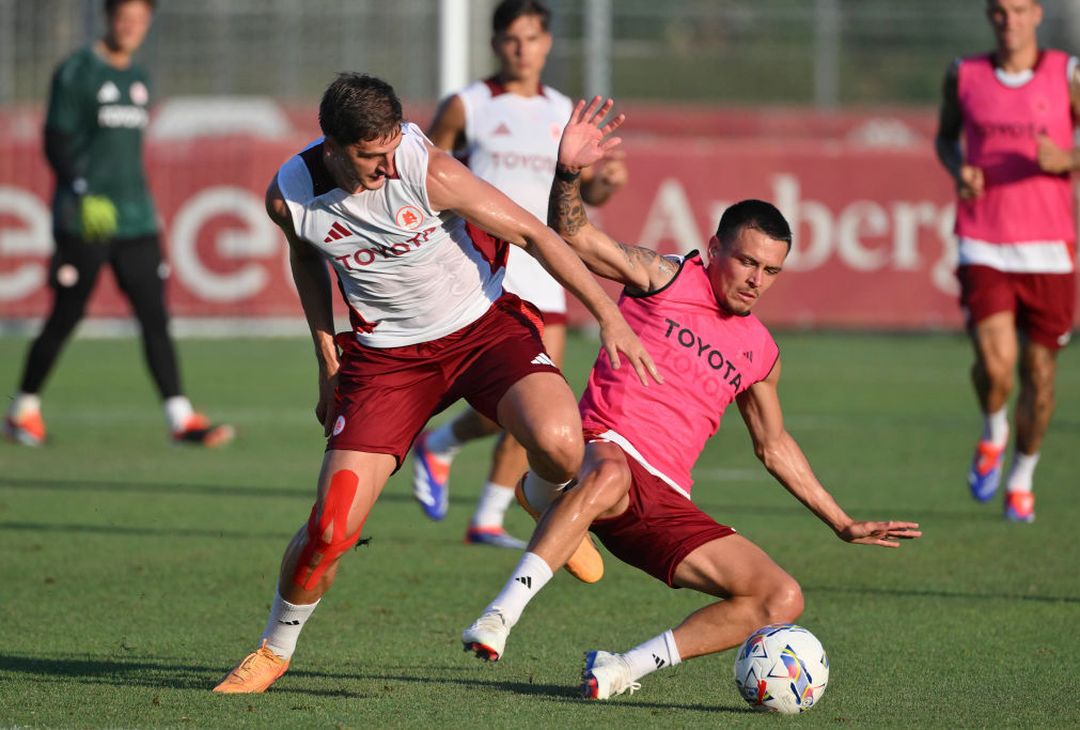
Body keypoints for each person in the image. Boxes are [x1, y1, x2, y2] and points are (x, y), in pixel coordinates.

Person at [460, 99, 922, 700]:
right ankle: (501, 614)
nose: (757, 279)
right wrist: (568, 172)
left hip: (664, 499)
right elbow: (570, 233)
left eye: (772, 271)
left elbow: (773, 445)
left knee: (781, 596)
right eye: (748, 261)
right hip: (607, 457)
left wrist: (841, 523)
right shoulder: (666, 275)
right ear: (714, 249)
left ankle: (623, 669)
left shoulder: (762, 352)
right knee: (609, 471)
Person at [211, 75, 658, 694]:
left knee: (561, 442)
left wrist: (609, 316)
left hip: (481, 331)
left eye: (393, 147)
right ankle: (274, 649)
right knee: (331, 528)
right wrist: (325, 360)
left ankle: (537, 494)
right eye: (372, 155)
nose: (387, 165)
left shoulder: (429, 170)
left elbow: (532, 232)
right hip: (386, 362)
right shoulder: (289, 198)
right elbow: (305, 257)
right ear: (332, 146)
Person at [412, 0, 629, 551]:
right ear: (495, 43)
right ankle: (456, 464)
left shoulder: (563, 109)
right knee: (520, 398)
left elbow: (579, 196)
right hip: (486, 264)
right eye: (511, 38)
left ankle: (479, 503)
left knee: (542, 396)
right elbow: (424, 175)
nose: (521, 48)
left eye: (531, 38)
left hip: (545, 263)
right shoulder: (468, 105)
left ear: (547, 43)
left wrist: (606, 185)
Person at [2, 0, 232, 448]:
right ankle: (22, 409)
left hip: (136, 219)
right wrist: (81, 188)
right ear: (108, 19)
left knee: (154, 317)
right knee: (66, 315)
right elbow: (55, 140)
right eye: (123, 19)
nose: (130, 28)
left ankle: (180, 417)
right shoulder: (78, 71)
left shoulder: (140, 78)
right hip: (84, 219)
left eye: (139, 22)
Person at [935, 0, 1078, 523]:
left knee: (1039, 378)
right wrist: (959, 169)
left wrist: (1068, 158)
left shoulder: (1067, 73)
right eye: (999, 11)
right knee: (997, 370)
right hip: (984, 239)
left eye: (1019, 10)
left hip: (1050, 249)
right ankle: (993, 429)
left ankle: (1021, 478)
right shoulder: (965, 73)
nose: (1009, 21)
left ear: (1037, 14)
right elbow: (945, 139)